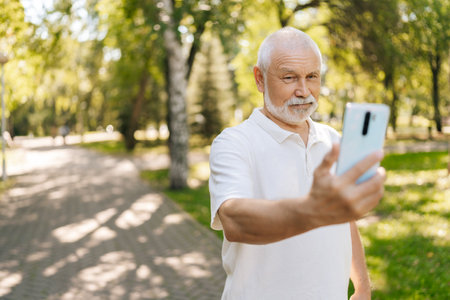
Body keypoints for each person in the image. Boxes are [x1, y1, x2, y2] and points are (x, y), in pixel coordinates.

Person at [209, 27, 386, 299]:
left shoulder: (333, 140)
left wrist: (362, 284)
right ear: (260, 79)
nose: (303, 91)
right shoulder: (234, 142)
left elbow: (345, 219)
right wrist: (313, 211)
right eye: (289, 77)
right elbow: (234, 220)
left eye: (312, 77)